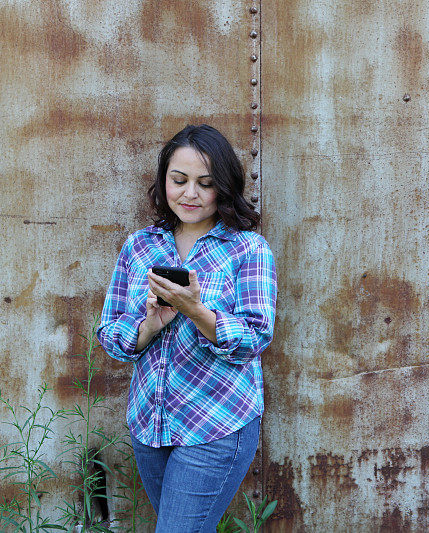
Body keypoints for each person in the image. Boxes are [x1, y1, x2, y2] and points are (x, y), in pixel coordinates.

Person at [97, 124, 277, 532]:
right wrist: (150, 325)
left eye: (205, 183)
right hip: (151, 422)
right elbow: (111, 331)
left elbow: (255, 337)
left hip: (216, 423)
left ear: (224, 187)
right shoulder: (140, 245)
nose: (190, 194)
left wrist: (196, 311)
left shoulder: (247, 249)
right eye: (179, 180)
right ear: (164, 181)